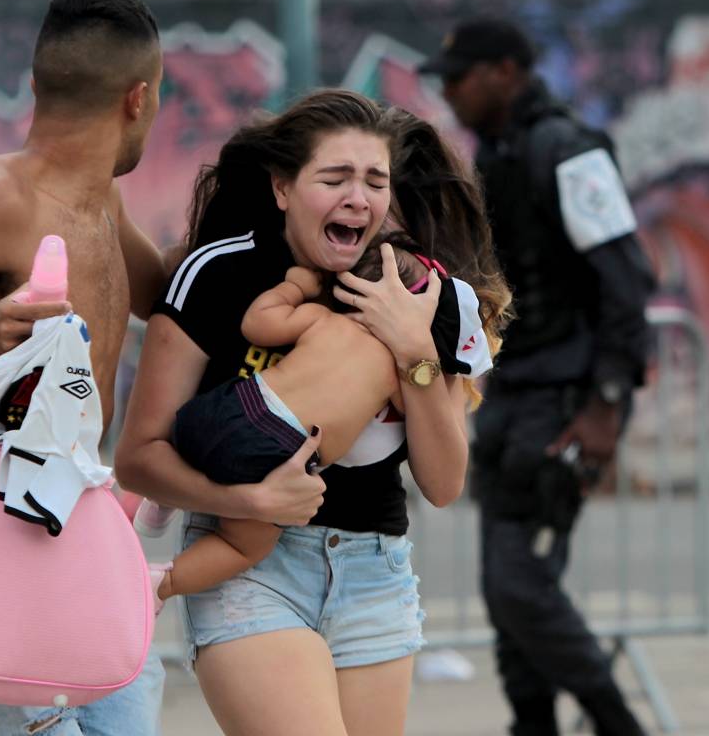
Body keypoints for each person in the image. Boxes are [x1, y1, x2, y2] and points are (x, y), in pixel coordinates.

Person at [0, 0, 318, 736]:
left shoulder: (101, 204)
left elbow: (176, 297)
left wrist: (286, 217)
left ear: (36, 85)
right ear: (140, 99)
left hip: (71, 537)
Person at [114, 89, 511, 736]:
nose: (359, 198)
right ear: (282, 188)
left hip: (374, 572)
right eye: (335, 179)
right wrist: (251, 501)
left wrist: (413, 349)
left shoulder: (417, 289)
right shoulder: (220, 273)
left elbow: (444, 485)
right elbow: (138, 457)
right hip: (251, 568)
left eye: (375, 182)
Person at [420, 17, 656, 736]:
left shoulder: (566, 150)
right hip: (516, 394)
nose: (449, 94)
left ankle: (618, 724)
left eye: (459, 78)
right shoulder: (498, 152)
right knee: (507, 586)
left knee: (519, 584)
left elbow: (626, 280)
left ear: (505, 72)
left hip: (567, 399)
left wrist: (607, 403)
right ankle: (533, 722)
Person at [151, 237, 492, 607]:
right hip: (275, 448)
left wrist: (295, 288)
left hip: (231, 404)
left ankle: (166, 497)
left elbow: (257, 324)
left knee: (189, 441)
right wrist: (422, 355)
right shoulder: (397, 374)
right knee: (243, 546)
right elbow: (421, 419)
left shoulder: (321, 320)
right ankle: (162, 583)